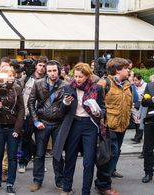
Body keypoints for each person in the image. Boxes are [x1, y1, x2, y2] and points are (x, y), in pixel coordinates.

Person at [53, 63, 106, 195]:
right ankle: (66, 188)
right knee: (70, 158)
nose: (77, 79)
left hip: (90, 126)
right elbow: (61, 111)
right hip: (73, 124)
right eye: (75, 76)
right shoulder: (68, 87)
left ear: (88, 76)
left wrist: (98, 113)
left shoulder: (97, 88)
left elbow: (103, 109)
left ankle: (85, 191)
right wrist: (65, 103)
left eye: (80, 76)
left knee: (89, 162)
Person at [95, 58, 132, 195]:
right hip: (108, 126)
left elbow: (129, 104)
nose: (129, 70)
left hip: (122, 126)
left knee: (114, 154)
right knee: (110, 155)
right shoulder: (104, 83)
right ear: (117, 70)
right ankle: (104, 185)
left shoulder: (128, 84)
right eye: (126, 68)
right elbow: (94, 103)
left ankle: (102, 181)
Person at [28, 60, 66, 192]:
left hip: (59, 123)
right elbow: (31, 102)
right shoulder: (38, 84)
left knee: (57, 154)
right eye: (49, 71)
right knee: (39, 154)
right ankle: (37, 180)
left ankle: (60, 180)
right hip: (42, 122)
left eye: (54, 70)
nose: (52, 73)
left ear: (59, 70)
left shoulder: (65, 85)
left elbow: (69, 107)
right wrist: (35, 120)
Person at [0, 67, 24, 194]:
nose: (7, 77)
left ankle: (10, 183)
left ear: (13, 76)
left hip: (12, 127)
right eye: (4, 75)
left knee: (12, 157)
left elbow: (21, 110)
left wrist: (17, 129)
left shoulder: (17, 88)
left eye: (9, 75)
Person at [19, 56, 48, 173]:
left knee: (41, 140)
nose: (42, 68)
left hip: (42, 114)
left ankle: (39, 163)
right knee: (26, 139)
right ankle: (23, 162)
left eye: (44, 66)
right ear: (36, 65)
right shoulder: (27, 79)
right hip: (28, 113)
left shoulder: (47, 80)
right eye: (40, 65)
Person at [141, 79, 154, 183]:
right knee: (148, 148)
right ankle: (148, 173)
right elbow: (144, 102)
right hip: (150, 120)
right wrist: (152, 100)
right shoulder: (150, 86)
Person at [132, 73, 147, 143]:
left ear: (140, 79)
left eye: (136, 80)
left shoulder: (145, 85)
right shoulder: (133, 85)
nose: (135, 82)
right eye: (133, 80)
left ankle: (137, 137)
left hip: (141, 105)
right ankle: (138, 136)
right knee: (136, 121)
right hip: (134, 105)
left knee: (139, 121)